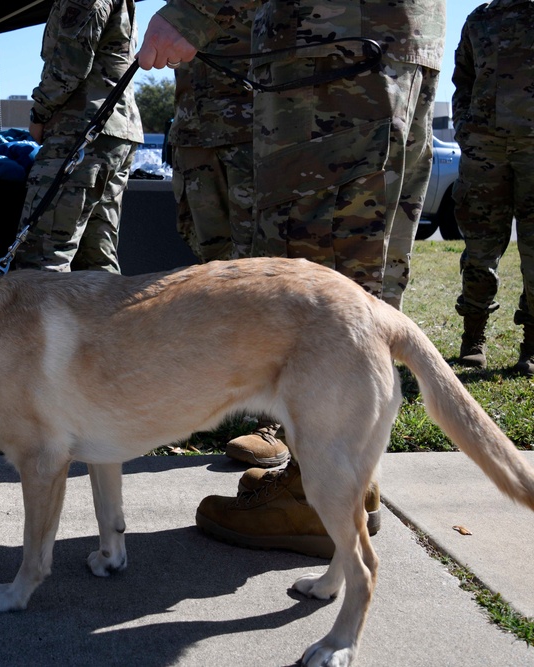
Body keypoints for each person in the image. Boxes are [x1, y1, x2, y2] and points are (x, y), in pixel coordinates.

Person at [138, 0, 445, 557]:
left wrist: (194, 9)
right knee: (363, 280)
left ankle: (311, 499)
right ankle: (348, 479)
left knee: (315, 284)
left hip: (330, 39)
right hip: (378, 41)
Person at [166, 0, 289, 471]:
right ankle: (219, 400)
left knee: (258, 273)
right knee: (210, 273)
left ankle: (271, 419)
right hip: (196, 133)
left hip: (250, 131)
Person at [12, 0, 143, 273]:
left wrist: (40, 113)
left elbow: (70, 65)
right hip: (110, 130)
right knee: (96, 263)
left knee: (42, 260)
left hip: (82, 132)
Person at [451, 0, 534, 377]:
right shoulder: (480, 18)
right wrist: (465, 129)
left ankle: (531, 347)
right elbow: (462, 80)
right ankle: (473, 340)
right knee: (480, 250)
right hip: (484, 151)